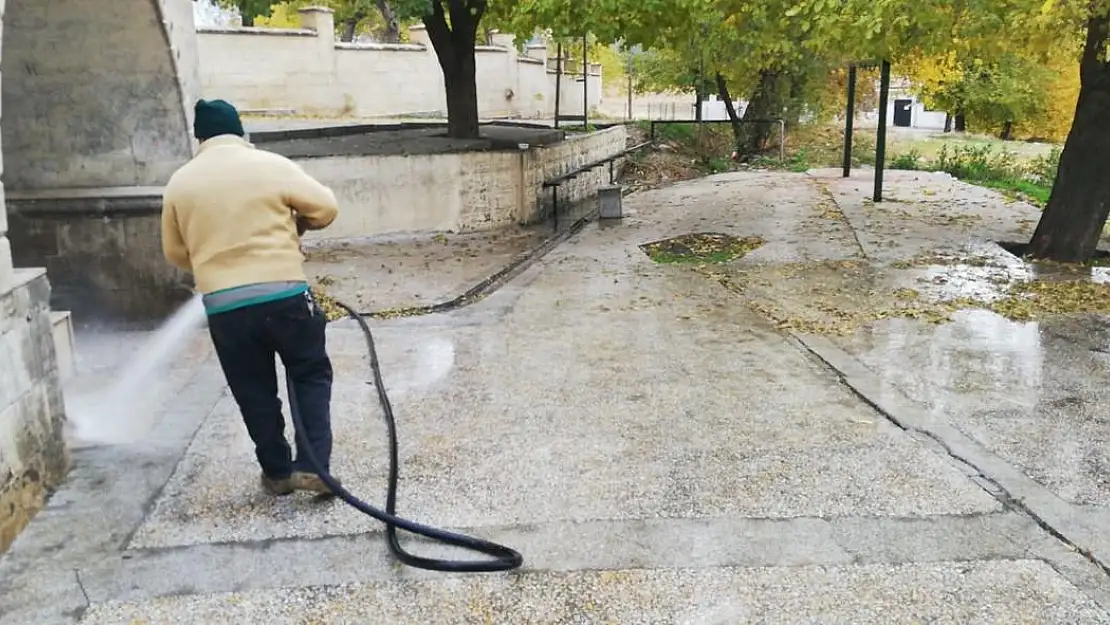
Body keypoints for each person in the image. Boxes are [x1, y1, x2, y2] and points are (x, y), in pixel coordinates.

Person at [161, 98, 341, 497]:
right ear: (239, 131)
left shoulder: (181, 182)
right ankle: (312, 467)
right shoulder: (271, 165)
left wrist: (217, 265)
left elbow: (174, 253)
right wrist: (299, 224)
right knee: (308, 372)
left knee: (253, 390)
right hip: (285, 295)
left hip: (225, 307)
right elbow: (326, 207)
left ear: (200, 137)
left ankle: (277, 473)